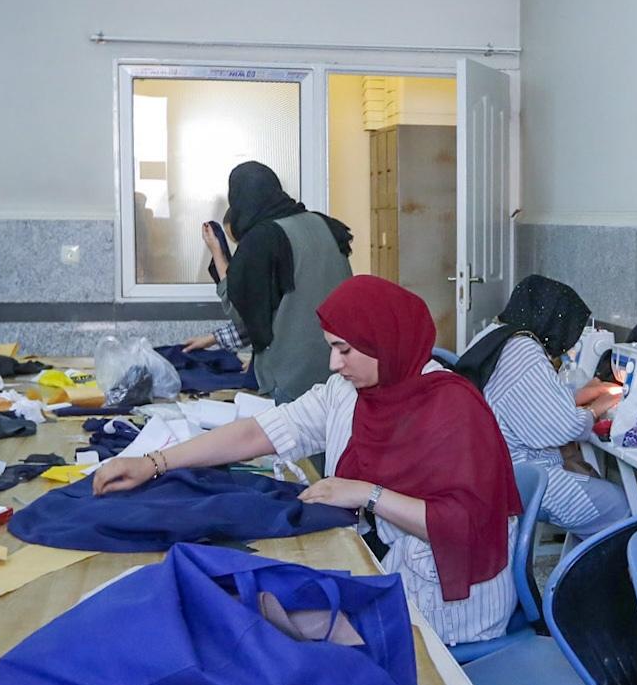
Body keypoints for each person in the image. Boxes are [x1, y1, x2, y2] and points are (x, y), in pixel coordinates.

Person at [92, 274, 521, 644]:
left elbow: (463, 525)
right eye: (332, 348)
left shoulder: (452, 408)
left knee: (262, 631)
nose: (334, 363)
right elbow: (258, 432)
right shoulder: (352, 393)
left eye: (345, 349)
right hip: (385, 564)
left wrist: (367, 493)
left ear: (382, 341)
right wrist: (154, 463)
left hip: (450, 599)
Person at [448, 274, 629, 535]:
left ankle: (584, 556)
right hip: (521, 477)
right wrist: (598, 406)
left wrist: (579, 394)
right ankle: (598, 560)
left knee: (593, 488)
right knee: (618, 505)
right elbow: (563, 428)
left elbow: (523, 402)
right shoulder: (524, 351)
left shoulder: (494, 335)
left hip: (486, 469)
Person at [171, 162, 353, 402]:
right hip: (341, 369)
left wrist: (217, 253)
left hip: (293, 380)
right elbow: (291, 306)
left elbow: (243, 313)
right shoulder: (325, 225)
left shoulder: (264, 238)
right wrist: (215, 339)